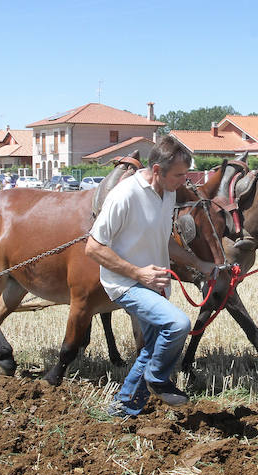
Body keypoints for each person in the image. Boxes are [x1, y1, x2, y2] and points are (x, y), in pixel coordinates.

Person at [85, 136, 215, 417]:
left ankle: (124, 405)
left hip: (154, 284)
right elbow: (93, 247)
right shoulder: (125, 195)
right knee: (177, 324)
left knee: (154, 345)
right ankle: (157, 379)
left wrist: (200, 264)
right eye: (179, 175)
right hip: (125, 283)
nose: (184, 181)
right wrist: (138, 273)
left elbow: (164, 240)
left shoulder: (167, 193)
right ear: (157, 170)